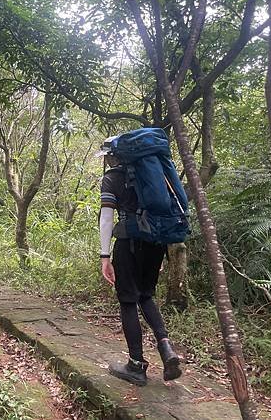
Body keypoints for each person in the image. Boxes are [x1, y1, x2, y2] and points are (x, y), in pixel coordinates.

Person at [98, 139, 182, 386]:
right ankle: (166, 348)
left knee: (128, 301)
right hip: (156, 243)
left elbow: (106, 218)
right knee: (146, 295)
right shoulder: (154, 174)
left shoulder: (113, 178)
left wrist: (105, 256)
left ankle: (136, 365)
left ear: (115, 156)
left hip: (128, 242)